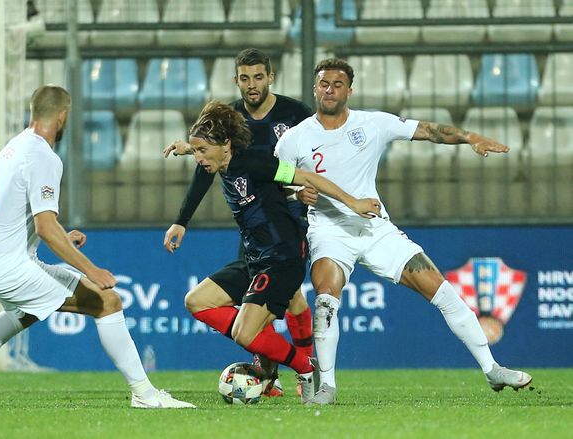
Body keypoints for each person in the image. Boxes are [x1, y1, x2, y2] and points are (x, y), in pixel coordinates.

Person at [274, 58, 534, 405]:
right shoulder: (294, 140)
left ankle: (492, 369)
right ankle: (327, 388)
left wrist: (470, 137)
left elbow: (428, 130)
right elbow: (275, 187)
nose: (330, 90)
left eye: (337, 84)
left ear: (349, 90)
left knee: (442, 291)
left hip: (376, 228)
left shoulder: (373, 124)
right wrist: (296, 193)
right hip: (329, 231)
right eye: (324, 84)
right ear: (314, 88)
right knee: (325, 299)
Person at [0, 85, 195, 409]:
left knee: (22, 314)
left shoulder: (15, 146)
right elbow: (45, 227)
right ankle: (145, 394)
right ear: (62, 116)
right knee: (107, 301)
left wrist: (61, 236)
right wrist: (91, 270)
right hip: (8, 265)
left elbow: (16, 212)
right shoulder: (44, 157)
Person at [167, 100, 381, 403]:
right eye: (196, 151)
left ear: (226, 145)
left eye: (202, 151)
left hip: (281, 257)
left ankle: (306, 367)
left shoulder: (256, 163)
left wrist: (354, 202)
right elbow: (209, 150)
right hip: (254, 259)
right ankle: (272, 351)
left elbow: (308, 177)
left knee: (245, 334)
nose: (199, 158)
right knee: (197, 301)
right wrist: (188, 148)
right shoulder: (222, 161)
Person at [163, 48, 317, 396]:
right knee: (262, 301)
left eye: (258, 77)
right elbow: (207, 164)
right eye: (245, 78)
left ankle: (302, 370)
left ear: (270, 77)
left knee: (291, 298)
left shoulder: (295, 114)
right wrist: (182, 220)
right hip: (252, 225)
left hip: (288, 221)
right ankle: (276, 374)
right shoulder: (228, 120)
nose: (252, 85)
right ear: (236, 80)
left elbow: (314, 159)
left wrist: (308, 191)